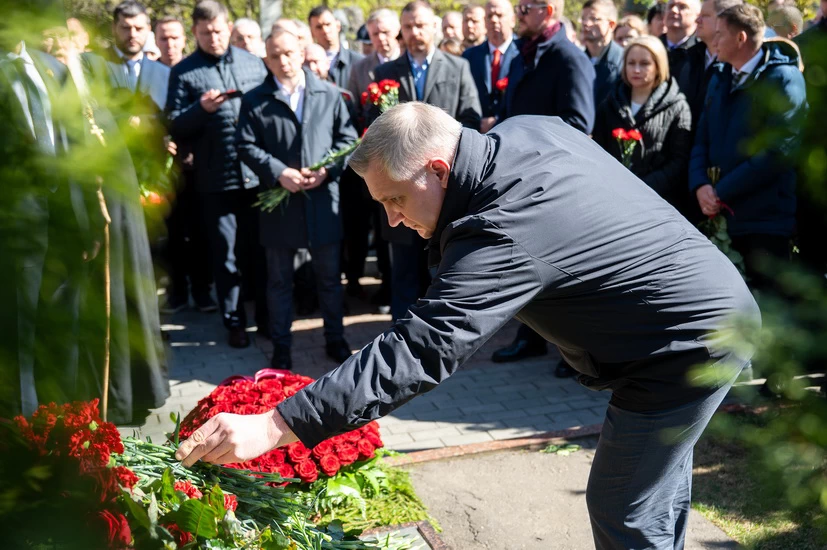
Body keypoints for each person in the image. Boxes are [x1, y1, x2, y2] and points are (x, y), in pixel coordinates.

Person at [176, 102, 761, 550]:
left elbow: (421, 349)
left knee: (623, 505)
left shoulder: (504, 228)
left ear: (437, 169)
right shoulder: (527, 129)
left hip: (684, 346)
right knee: (648, 496)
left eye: (396, 199)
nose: (393, 220)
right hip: (692, 315)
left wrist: (277, 423)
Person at [236, 29, 358, 370]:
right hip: (281, 204)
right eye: (275, 56)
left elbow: (347, 140)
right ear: (266, 59)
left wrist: (327, 171)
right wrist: (279, 172)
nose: (283, 61)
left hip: (322, 201)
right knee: (279, 281)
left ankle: (335, 339)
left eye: (289, 53)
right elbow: (245, 145)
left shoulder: (329, 94)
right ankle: (281, 347)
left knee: (329, 279)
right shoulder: (255, 99)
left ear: (302, 52)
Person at [494, 0, 596, 376]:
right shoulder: (523, 55)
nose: (518, 13)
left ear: (548, 10)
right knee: (531, 263)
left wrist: (526, 148)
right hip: (521, 179)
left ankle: (580, 352)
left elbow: (579, 124)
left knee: (565, 269)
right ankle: (532, 337)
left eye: (525, 7)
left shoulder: (569, 58)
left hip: (554, 181)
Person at [166, 0, 268, 349]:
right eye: (205, 32)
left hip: (256, 176)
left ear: (229, 28)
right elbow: (173, 124)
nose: (214, 38)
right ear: (195, 32)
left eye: (219, 31)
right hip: (215, 180)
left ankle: (266, 317)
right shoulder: (184, 71)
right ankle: (234, 321)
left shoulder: (252, 63)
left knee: (260, 250)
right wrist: (201, 109)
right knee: (225, 256)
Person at [371, 0, 482, 321]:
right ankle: (401, 333)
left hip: (441, 186)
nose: (415, 32)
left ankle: (440, 331)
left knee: (442, 269)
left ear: (434, 26)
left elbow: (470, 119)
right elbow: (374, 125)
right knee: (404, 270)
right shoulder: (385, 73)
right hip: (400, 187)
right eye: (408, 27)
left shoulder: (457, 67)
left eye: (420, 25)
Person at [689, 3, 806, 288]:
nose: (714, 39)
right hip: (722, 215)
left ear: (741, 38)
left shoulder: (784, 78)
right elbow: (701, 136)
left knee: (766, 303)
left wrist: (721, 191)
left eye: (720, 34)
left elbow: (779, 150)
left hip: (764, 220)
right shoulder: (720, 76)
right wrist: (700, 184)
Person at [155, 15, 215, 315]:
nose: (170, 44)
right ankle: (177, 291)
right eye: (163, 38)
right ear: (155, 40)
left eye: (175, 37)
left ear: (185, 38)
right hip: (161, 171)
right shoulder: (149, 73)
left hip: (196, 167)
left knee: (200, 231)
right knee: (173, 233)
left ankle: (202, 291)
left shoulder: (195, 70)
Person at [593, 36, 692, 211]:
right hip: (613, 199)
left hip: (657, 203)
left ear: (658, 66)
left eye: (645, 63)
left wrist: (641, 187)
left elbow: (679, 162)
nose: (636, 70)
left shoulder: (677, 107)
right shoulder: (609, 104)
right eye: (631, 63)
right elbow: (598, 150)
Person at [346, 8, 402, 310]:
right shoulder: (360, 68)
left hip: (403, 158)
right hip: (374, 159)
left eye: (385, 32)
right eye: (374, 34)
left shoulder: (406, 62)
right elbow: (356, 111)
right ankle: (385, 282)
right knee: (380, 227)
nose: (380, 38)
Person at [81, 0, 170, 112]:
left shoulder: (163, 73)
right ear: (114, 28)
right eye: (126, 28)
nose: (132, 34)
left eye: (139, 29)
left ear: (148, 29)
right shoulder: (91, 63)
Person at [677, 0, 741, 133]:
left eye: (705, 15)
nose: (697, 20)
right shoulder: (689, 57)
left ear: (724, 19)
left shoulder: (737, 65)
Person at [463, 0, 519, 133]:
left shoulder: (523, 54)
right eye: (489, 16)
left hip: (512, 131)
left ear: (512, 20)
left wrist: (498, 121)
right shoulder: (469, 56)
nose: (494, 20)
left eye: (499, 15)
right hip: (476, 132)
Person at [308, 5, 363, 89]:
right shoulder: (307, 64)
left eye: (328, 24)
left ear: (338, 26)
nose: (325, 31)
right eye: (319, 27)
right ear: (312, 32)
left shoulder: (358, 62)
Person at [581, 0, 624, 106]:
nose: (586, 23)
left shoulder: (623, 61)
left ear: (611, 25)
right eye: (583, 19)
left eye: (594, 19)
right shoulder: (578, 60)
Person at [662, 0, 701, 81]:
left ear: (698, 16)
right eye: (670, 6)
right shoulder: (652, 48)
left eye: (683, 7)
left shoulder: (702, 51)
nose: (674, 10)